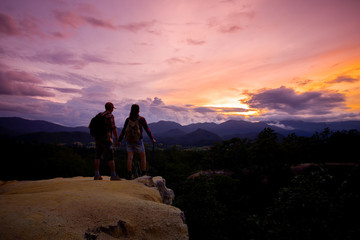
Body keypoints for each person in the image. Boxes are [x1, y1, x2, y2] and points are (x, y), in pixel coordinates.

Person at [118, 104, 156, 180]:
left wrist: (119, 140)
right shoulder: (141, 119)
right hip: (138, 140)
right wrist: (152, 139)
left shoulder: (128, 119)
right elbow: (147, 130)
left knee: (130, 158)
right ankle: (143, 174)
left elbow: (123, 131)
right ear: (138, 110)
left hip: (129, 140)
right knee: (143, 157)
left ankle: (129, 174)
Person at [93, 102, 121, 180]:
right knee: (110, 157)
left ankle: (96, 174)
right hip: (107, 139)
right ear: (111, 108)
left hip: (98, 139)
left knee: (97, 156)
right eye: (113, 108)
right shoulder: (110, 116)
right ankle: (113, 175)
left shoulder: (99, 115)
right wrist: (117, 139)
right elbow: (113, 128)